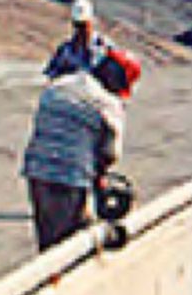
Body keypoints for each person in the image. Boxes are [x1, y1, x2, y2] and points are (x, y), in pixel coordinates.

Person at [21, 48, 141, 251]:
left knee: (47, 237)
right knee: (68, 244)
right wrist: (100, 177)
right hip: (69, 177)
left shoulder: (60, 85)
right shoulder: (107, 104)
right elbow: (110, 153)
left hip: (36, 170)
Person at [44, 0, 111, 78]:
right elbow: (49, 75)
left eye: (84, 25)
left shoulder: (104, 47)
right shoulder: (65, 51)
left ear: (91, 23)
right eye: (78, 25)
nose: (82, 30)